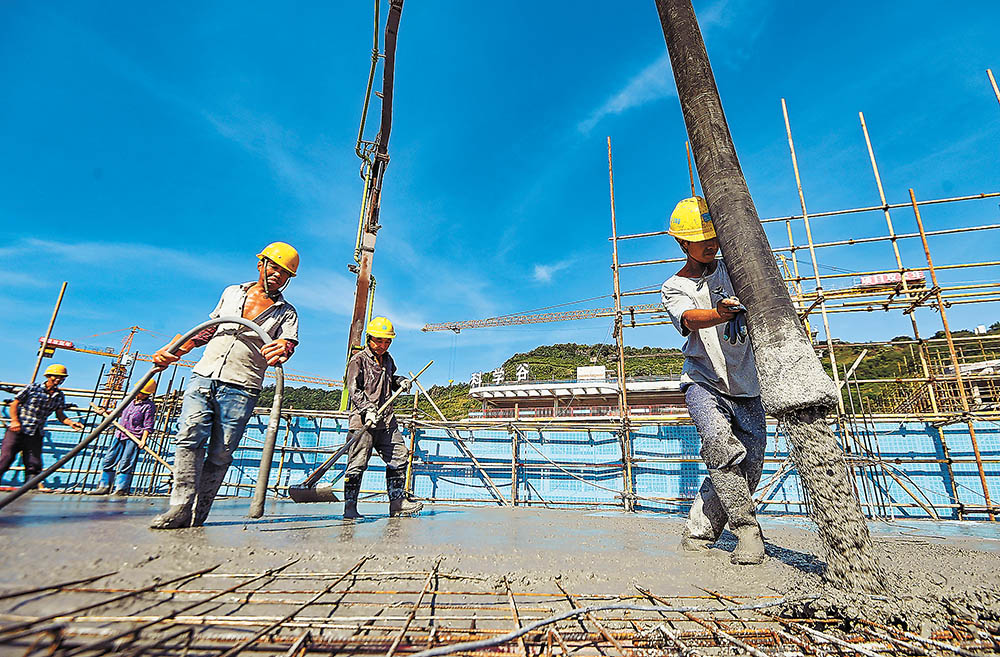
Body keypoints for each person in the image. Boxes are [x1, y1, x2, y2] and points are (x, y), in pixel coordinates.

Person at [148, 242, 300, 529]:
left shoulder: (286, 313)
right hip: (205, 373)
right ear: (261, 264)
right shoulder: (232, 292)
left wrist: (282, 349)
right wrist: (176, 350)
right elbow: (208, 330)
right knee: (189, 433)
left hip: (242, 385)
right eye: (274, 268)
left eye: (284, 273)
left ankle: (199, 511)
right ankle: (179, 506)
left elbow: (288, 343)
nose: (277, 275)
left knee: (221, 452)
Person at [659, 196, 767, 565]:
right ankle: (747, 530)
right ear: (682, 243)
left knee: (750, 464)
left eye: (714, 235)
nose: (711, 243)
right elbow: (688, 318)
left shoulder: (734, 268)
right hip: (702, 382)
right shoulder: (674, 286)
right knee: (720, 446)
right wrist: (719, 313)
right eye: (701, 237)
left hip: (748, 385)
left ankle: (699, 530)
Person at [343, 316, 421, 520]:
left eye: (387, 341)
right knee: (357, 463)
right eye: (379, 340)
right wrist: (367, 409)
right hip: (363, 421)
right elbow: (353, 389)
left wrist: (400, 381)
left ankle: (397, 502)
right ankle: (350, 508)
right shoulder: (358, 360)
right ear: (369, 338)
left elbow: (389, 380)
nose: (383, 345)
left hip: (386, 420)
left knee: (399, 456)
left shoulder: (388, 359)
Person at [1, 364, 85, 489]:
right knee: (6, 458)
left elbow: (60, 414)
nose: (58, 380)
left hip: (36, 432)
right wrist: (14, 421)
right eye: (55, 377)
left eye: (61, 378)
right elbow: (15, 404)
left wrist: (71, 423)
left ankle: (30, 486)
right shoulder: (32, 389)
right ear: (48, 376)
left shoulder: (59, 396)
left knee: (34, 463)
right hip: (18, 430)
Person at [90, 378, 158, 496]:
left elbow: (148, 424)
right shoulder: (129, 400)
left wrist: (143, 440)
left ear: (146, 394)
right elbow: (119, 412)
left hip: (133, 437)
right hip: (119, 434)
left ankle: (121, 488)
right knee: (109, 459)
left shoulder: (149, 406)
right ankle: (104, 486)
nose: (138, 394)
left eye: (141, 393)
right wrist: (105, 412)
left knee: (126, 462)